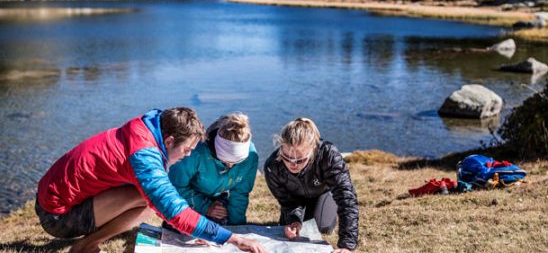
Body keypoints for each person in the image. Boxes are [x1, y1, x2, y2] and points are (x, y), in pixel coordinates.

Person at [36, 108, 265, 253]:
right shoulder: (144, 156)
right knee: (149, 200)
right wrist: (231, 238)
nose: (187, 155)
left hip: (60, 199)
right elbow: (171, 208)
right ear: (169, 140)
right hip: (56, 216)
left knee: (148, 195)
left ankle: (89, 243)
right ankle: (85, 247)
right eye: (186, 149)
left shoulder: (148, 127)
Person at [264, 118, 359, 253]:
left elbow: (346, 198)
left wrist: (347, 245)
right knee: (290, 230)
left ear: (312, 149)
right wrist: (294, 220)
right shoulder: (272, 166)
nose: (292, 164)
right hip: (295, 197)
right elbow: (287, 201)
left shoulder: (328, 155)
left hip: (323, 193)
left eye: (300, 159)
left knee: (322, 227)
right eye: (286, 157)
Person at [167, 112, 258, 227]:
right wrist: (205, 207)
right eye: (225, 161)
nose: (230, 167)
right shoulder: (194, 152)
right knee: (184, 227)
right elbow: (174, 186)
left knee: (221, 225)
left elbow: (240, 193)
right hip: (189, 197)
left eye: (236, 163)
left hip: (218, 198)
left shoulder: (251, 156)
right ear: (215, 151)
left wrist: (237, 227)